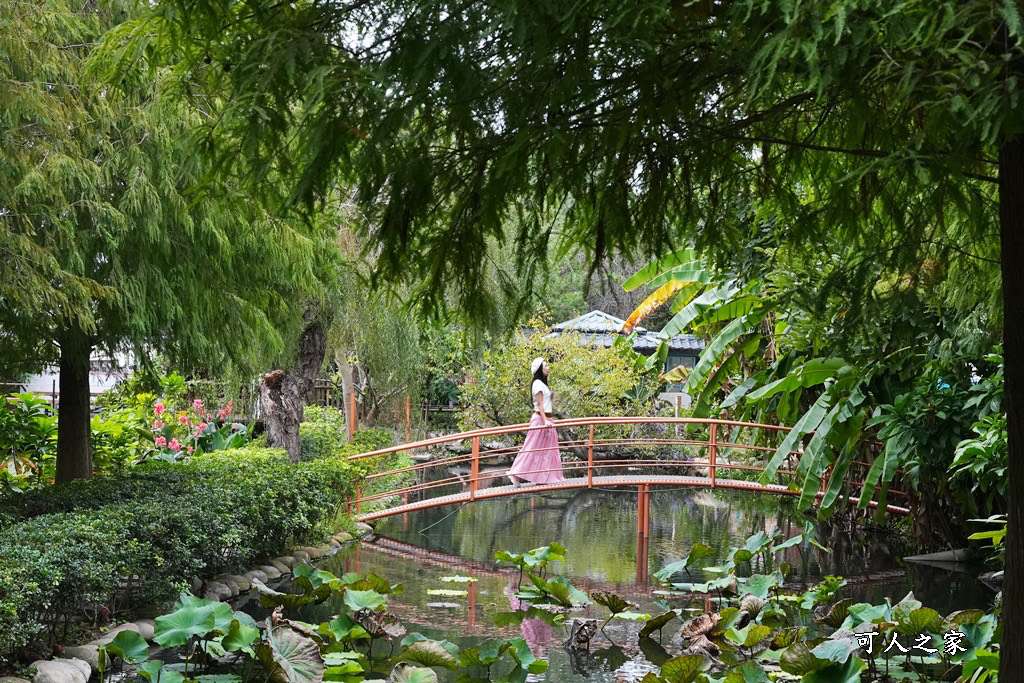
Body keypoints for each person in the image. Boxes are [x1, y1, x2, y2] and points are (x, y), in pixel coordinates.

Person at [507, 356, 564, 486]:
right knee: (532, 448)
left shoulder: (542, 384)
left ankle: (541, 477)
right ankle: (515, 473)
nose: (549, 368)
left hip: (547, 419)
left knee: (546, 449)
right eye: (546, 366)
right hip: (541, 420)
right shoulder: (537, 383)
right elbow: (539, 404)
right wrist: (545, 421)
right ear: (539, 369)